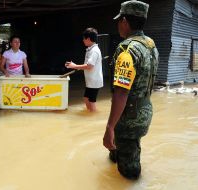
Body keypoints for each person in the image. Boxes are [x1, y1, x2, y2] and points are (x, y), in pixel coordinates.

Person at [103, 0, 159, 179]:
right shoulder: (150, 44)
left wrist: (109, 127)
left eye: (120, 20)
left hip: (128, 118)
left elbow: (121, 92)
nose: (118, 24)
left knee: (130, 172)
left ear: (125, 22)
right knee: (119, 152)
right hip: (145, 110)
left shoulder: (127, 50)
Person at [65, 27, 103, 112]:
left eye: (84, 38)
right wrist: (75, 66)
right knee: (86, 99)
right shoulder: (90, 49)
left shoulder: (94, 51)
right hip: (91, 81)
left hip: (94, 81)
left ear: (88, 39)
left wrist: (74, 66)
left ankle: (93, 117)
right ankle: (91, 114)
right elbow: (87, 65)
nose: (83, 40)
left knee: (91, 101)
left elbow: (89, 66)